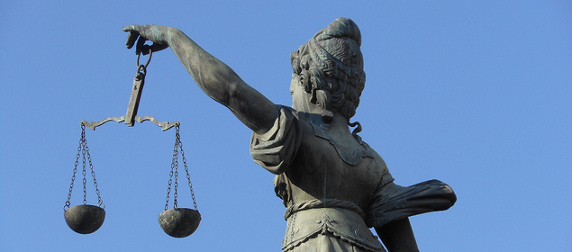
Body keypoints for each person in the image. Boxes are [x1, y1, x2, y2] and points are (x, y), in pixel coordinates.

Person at [123, 17, 456, 252]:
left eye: (293, 81)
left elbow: (231, 90)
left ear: (308, 81)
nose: (289, 89)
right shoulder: (373, 162)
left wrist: (172, 35)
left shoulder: (295, 129)